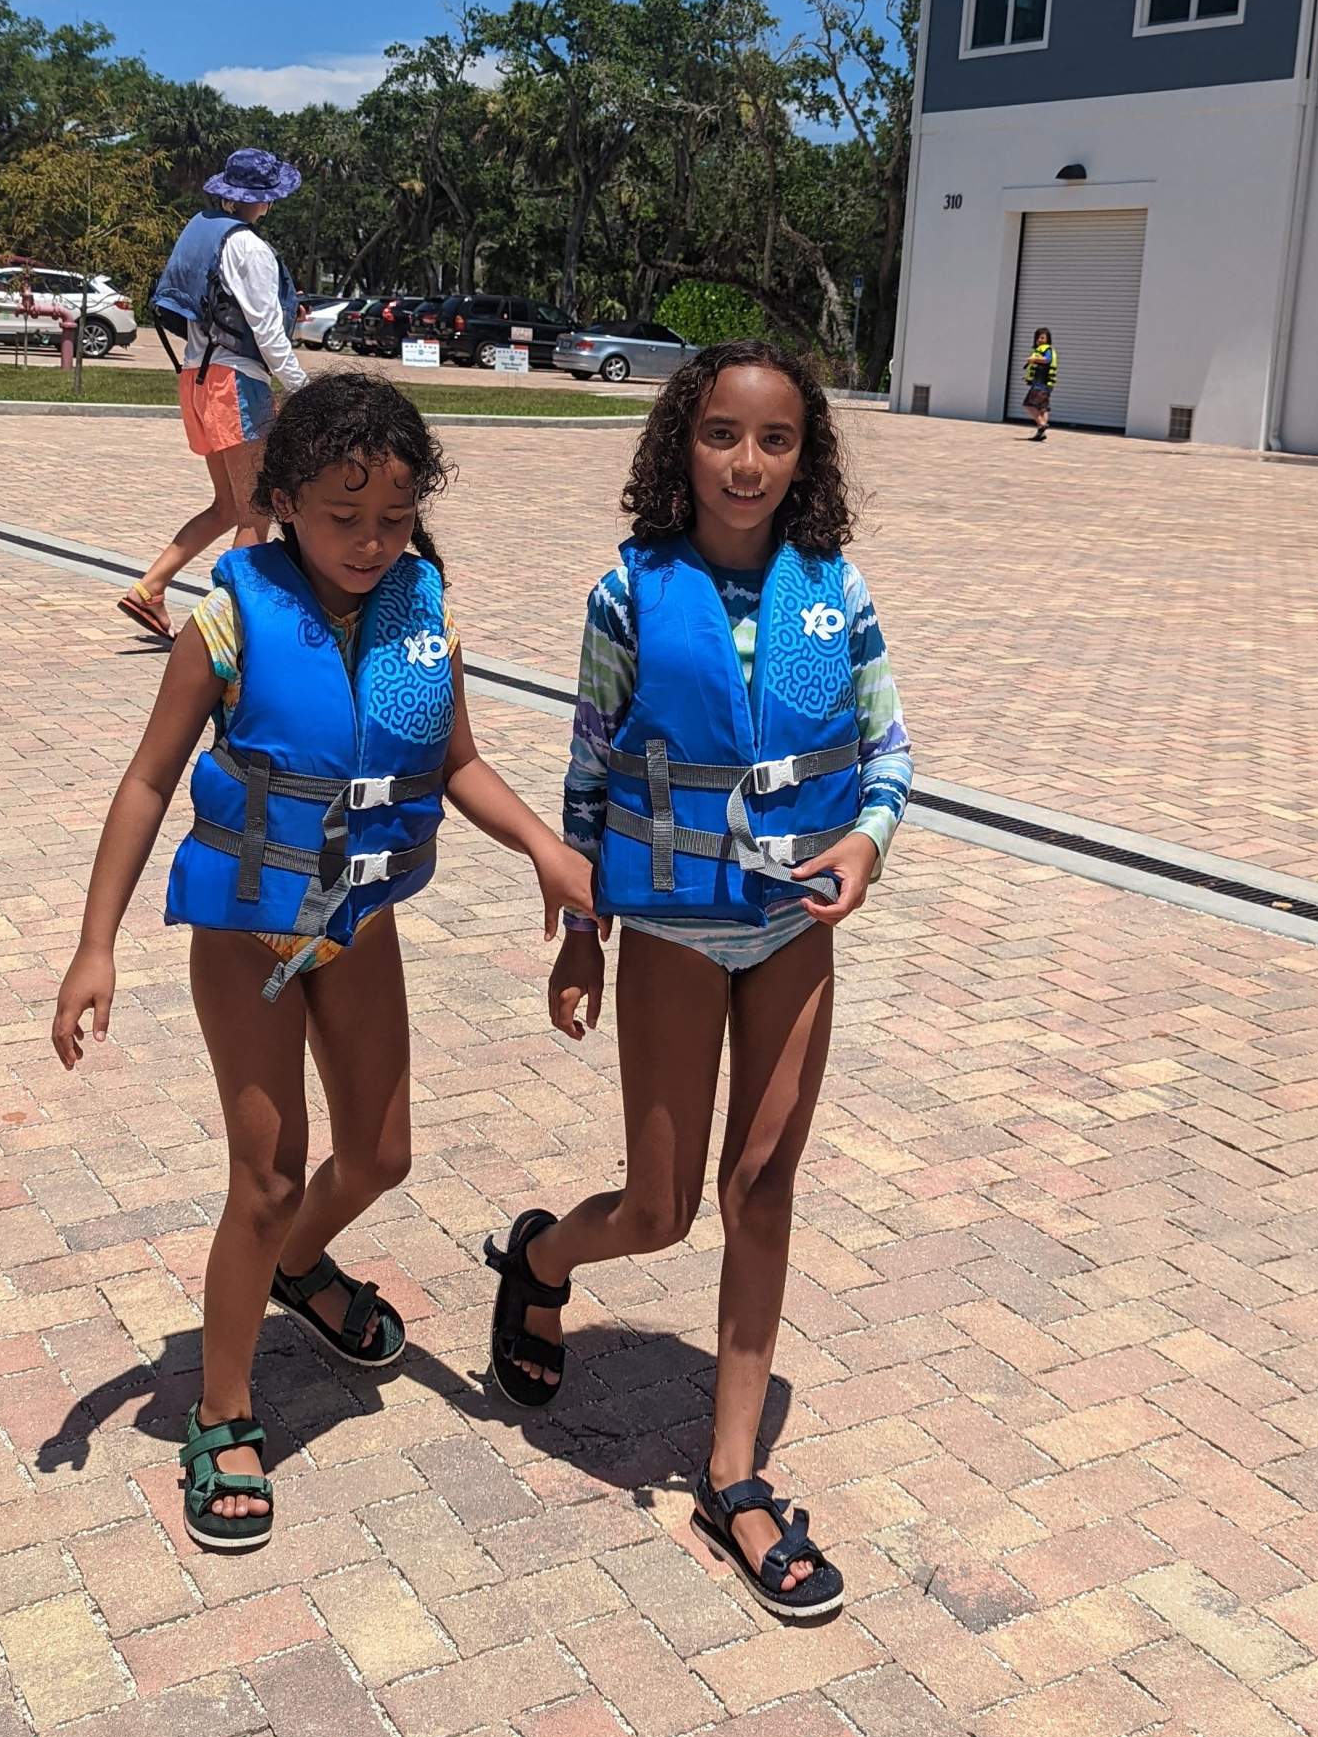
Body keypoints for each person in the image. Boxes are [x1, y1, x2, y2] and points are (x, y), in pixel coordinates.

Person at [55, 371, 598, 1552]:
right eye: (343, 515)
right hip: (247, 926)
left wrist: (545, 851)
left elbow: (454, 760)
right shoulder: (229, 615)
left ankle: (300, 1268)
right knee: (266, 1173)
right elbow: (149, 778)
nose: (369, 541)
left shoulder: (422, 607)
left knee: (383, 1153)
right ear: (284, 500)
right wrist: (94, 944)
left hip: (356, 920)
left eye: (393, 519)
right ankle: (222, 1409)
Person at [483, 342, 911, 1619]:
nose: (745, 461)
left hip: (791, 923)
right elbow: (588, 766)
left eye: (773, 440)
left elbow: (886, 747)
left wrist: (864, 844)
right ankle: (543, 1262)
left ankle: (732, 1480)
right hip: (669, 922)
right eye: (721, 434)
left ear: (804, 456)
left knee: (761, 1184)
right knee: (664, 1207)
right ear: (682, 443)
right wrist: (577, 931)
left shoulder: (834, 588)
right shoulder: (628, 592)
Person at [117, 147, 309, 642]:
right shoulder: (251, 249)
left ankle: (150, 589)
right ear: (264, 200)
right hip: (236, 384)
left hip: (196, 379)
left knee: (227, 507)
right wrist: (302, 388)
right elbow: (267, 331)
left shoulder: (207, 233)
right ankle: (234, 627)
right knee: (256, 510)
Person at [1023, 325, 1057, 441]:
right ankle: (1040, 433)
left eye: (1042, 338)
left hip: (1040, 384)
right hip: (1046, 384)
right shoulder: (1043, 349)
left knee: (1029, 405)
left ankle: (1042, 424)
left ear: (1048, 339)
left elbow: (1047, 360)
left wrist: (1033, 359)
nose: (1040, 340)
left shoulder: (1046, 349)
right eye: (1038, 338)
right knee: (1043, 408)